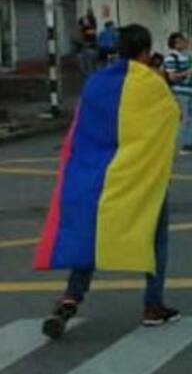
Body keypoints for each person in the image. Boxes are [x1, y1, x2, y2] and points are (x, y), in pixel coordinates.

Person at [37, 24, 182, 339]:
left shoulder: (95, 83)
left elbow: (82, 129)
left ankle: (70, 297)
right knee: (155, 238)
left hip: (100, 178)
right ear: (145, 51)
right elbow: (172, 119)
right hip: (141, 179)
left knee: (92, 234)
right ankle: (152, 306)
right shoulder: (152, 84)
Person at [164, 32, 192, 155]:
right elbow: (172, 77)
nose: (184, 43)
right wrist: (188, 72)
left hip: (190, 92)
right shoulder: (171, 58)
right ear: (174, 44)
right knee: (184, 120)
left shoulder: (187, 57)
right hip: (180, 92)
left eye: (184, 41)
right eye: (180, 41)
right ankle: (184, 146)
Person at [77, 10, 99, 80]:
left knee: (90, 62)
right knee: (90, 62)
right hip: (88, 45)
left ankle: (90, 75)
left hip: (90, 45)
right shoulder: (85, 20)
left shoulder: (92, 20)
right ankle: (91, 75)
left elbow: (93, 30)